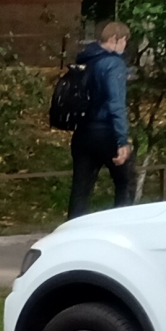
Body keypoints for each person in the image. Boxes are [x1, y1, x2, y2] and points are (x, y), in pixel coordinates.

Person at [67, 21, 133, 218]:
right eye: (124, 41)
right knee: (125, 182)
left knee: (80, 188)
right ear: (114, 39)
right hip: (106, 131)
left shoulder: (85, 60)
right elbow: (115, 103)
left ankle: (73, 232)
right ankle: (122, 227)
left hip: (82, 133)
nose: (124, 46)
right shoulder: (113, 64)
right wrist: (122, 140)